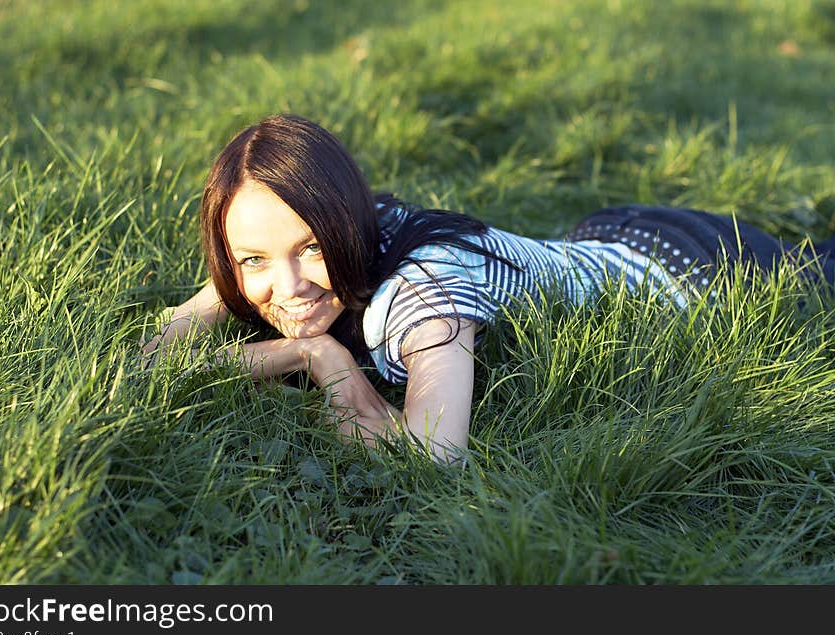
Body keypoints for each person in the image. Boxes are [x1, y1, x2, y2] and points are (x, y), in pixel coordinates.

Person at [142, 114, 835, 465]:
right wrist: (293, 346)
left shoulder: (422, 295)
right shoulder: (312, 245)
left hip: (699, 275)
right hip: (598, 237)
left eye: (311, 248)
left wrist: (328, 362)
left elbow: (433, 456)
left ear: (341, 221)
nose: (285, 286)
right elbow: (154, 358)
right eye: (253, 258)